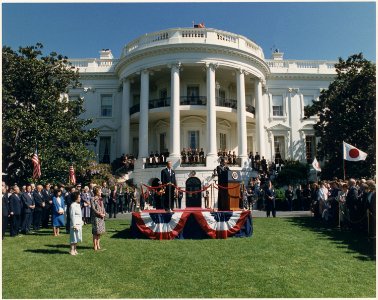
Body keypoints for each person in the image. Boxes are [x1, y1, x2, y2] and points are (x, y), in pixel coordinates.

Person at [90, 186, 106, 251]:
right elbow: (93, 208)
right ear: (96, 192)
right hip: (96, 217)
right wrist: (99, 213)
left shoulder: (101, 198)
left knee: (99, 232)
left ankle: (98, 244)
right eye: (100, 191)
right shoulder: (92, 199)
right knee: (95, 232)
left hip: (101, 217)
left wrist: (104, 213)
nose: (101, 192)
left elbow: (103, 207)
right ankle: (95, 246)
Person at [69, 191, 83, 256]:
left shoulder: (78, 205)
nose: (80, 198)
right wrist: (74, 225)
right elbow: (72, 216)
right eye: (79, 197)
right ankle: (71, 250)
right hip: (74, 224)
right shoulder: (72, 205)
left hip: (79, 223)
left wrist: (81, 221)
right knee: (73, 237)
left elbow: (80, 215)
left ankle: (75, 249)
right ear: (76, 198)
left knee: (77, 237)